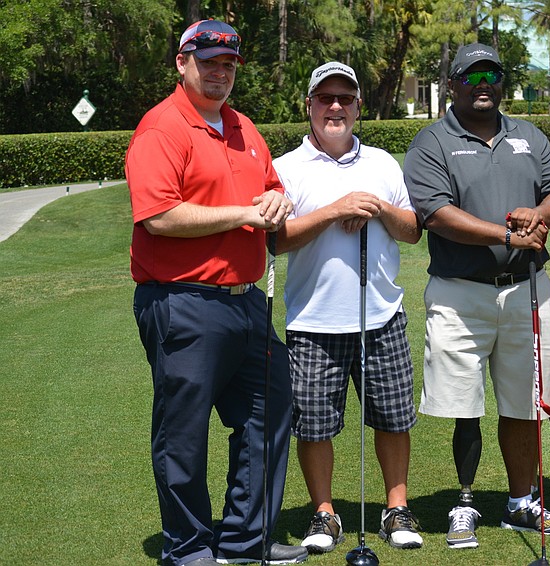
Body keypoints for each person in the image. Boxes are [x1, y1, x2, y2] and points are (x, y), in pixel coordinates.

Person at [126, 20, 307, 566]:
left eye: (228, 64)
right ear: (182, 63)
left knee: (271, 408)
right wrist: (246, 213)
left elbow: (273, 190)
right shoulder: (162, 128)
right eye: (208, 62)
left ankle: (245, 540)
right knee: (184, 430)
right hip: (182, 301)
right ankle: (186, 548)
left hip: (245, 300)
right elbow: (159, 216)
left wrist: (275, 204)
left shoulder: (243, 128)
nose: (219, 72)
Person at [403, 43, 550, 549]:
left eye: (492, 74)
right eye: (472, 74)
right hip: (461, 294)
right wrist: (505, 234)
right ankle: (464, 501)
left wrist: (538, 214)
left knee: (525, 401)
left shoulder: (527, 135)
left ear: (503, 83)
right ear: (453, 83)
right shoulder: (432, 141)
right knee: (464, 404)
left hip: (527, 291)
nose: (483, 83)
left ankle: (521, 500)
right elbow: (435, 213)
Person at [272, 62, 423, 554]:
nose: (334, 106)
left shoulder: (381, 163)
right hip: (313, 321)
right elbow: (276, 241)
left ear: (359, 106)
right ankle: (324, 514)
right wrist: (336, 209)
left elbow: (412, 228)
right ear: (309, 106)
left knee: (393, 417)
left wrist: (376, 207)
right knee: (314, 425)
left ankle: (395, 507)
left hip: (380, 315)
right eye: (325, 98)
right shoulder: (285, 168)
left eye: (345, 98)